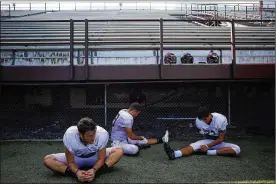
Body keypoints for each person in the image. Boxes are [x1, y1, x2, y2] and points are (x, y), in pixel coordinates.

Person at [44, 117, 123, 182]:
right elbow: (70, 161)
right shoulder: (69, 135)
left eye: (94, 134)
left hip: (94, 157)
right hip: (76, 158)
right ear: (80, 134)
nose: (93, 138)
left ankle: (99, 171)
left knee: (119, 150)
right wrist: (77, 172)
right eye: (89, 136)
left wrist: (94, 170)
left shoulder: (102, 133)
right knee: (48, 160)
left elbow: (101, 158)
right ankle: (74, 174)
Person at [163, 106, 241, 160]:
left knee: (237, 149)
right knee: (193, 146)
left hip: (219, 142)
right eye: (202, 119)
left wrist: (207, 146)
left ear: (210, 114)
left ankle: (209, 152)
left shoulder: (220, 119)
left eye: (205, 119)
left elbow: (221, 139)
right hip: (207, 140)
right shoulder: (198, 121)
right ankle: (174, 154)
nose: (204, 121)